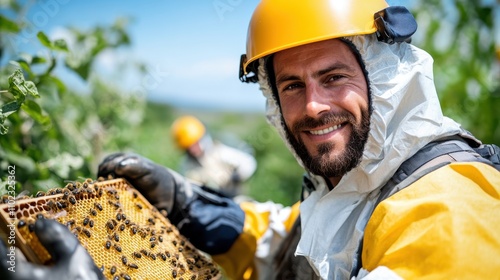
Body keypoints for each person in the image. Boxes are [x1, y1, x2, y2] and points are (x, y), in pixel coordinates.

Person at [2, 1, 499, 279]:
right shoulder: (359, 187)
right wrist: (194, 207)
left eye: (333, 77)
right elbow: (296, 238)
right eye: (291, 85)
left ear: (384, 75)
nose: (312, 107)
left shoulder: (449, 214)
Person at [170, 115, 257, 198]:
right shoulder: (187, 166)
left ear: (201, 138)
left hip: (233, 199)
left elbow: (248, 163)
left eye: (194, 145)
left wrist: (236, 176)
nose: (193, 150)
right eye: (188, 148)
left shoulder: (220, 151)